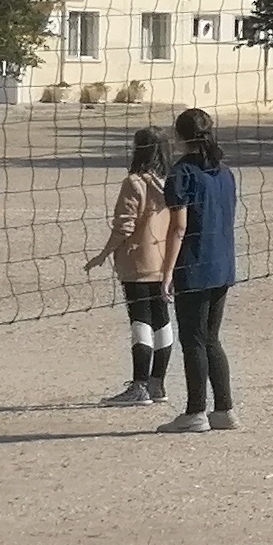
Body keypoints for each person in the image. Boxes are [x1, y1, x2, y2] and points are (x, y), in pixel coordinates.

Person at [83, 126, 180, 405]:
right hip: (166, 261)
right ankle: (157, 383)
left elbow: (124, 226)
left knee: (140, 320)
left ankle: (139, 386)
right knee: (162, 319)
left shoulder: (135, 183)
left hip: (138, 262)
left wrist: (103, 254)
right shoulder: (172, 182)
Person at [162, 106, 240, 432]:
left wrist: (167, 271)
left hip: (194, 265)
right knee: (211, 339)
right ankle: (224, 410)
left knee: (193, 339)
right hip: (222, 263)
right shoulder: (225, 172)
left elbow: (178, 228)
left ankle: (195, 412)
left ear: (180, 135)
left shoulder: (181, 173)